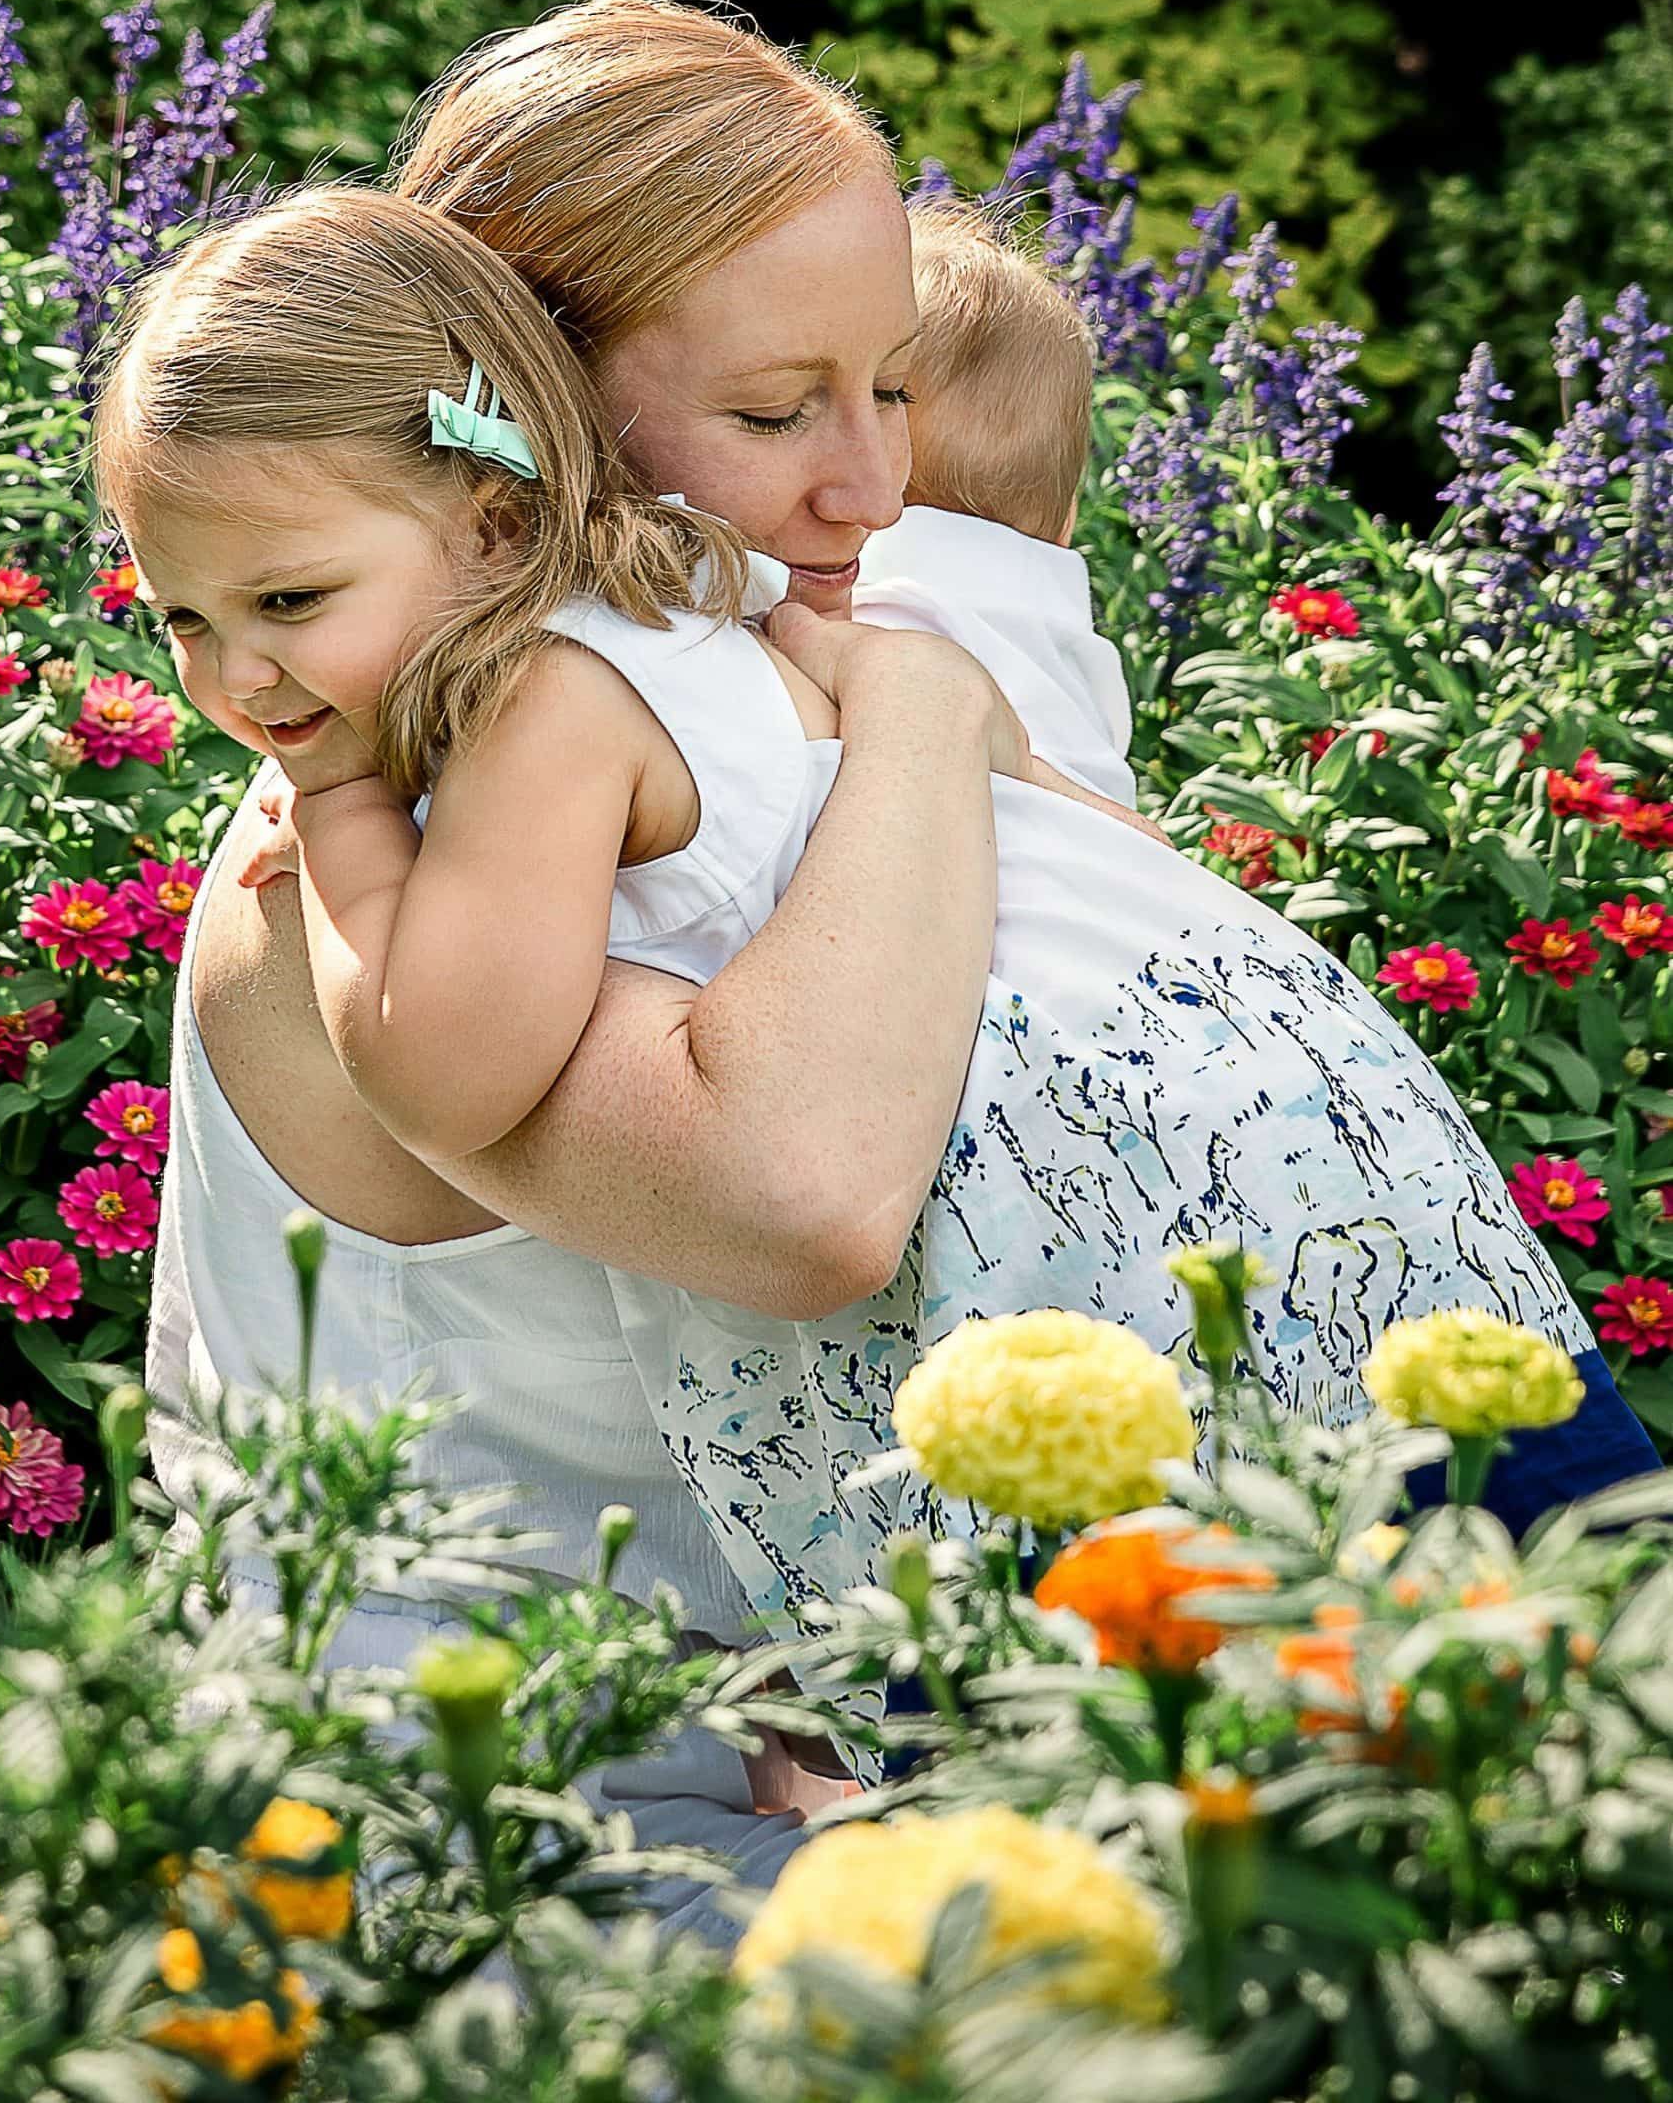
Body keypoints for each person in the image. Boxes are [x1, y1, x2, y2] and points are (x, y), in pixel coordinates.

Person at [108, 158, 1648, 1649]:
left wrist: (349, 819)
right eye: (778, 408)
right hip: (1340, 1275)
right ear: (560, 413)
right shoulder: (689, 658)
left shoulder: (627, 675)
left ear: (496, 511)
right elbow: (818, 1144)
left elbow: (460, 1061)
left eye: (892, 388)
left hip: (1178, 1376)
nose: (880, 485)